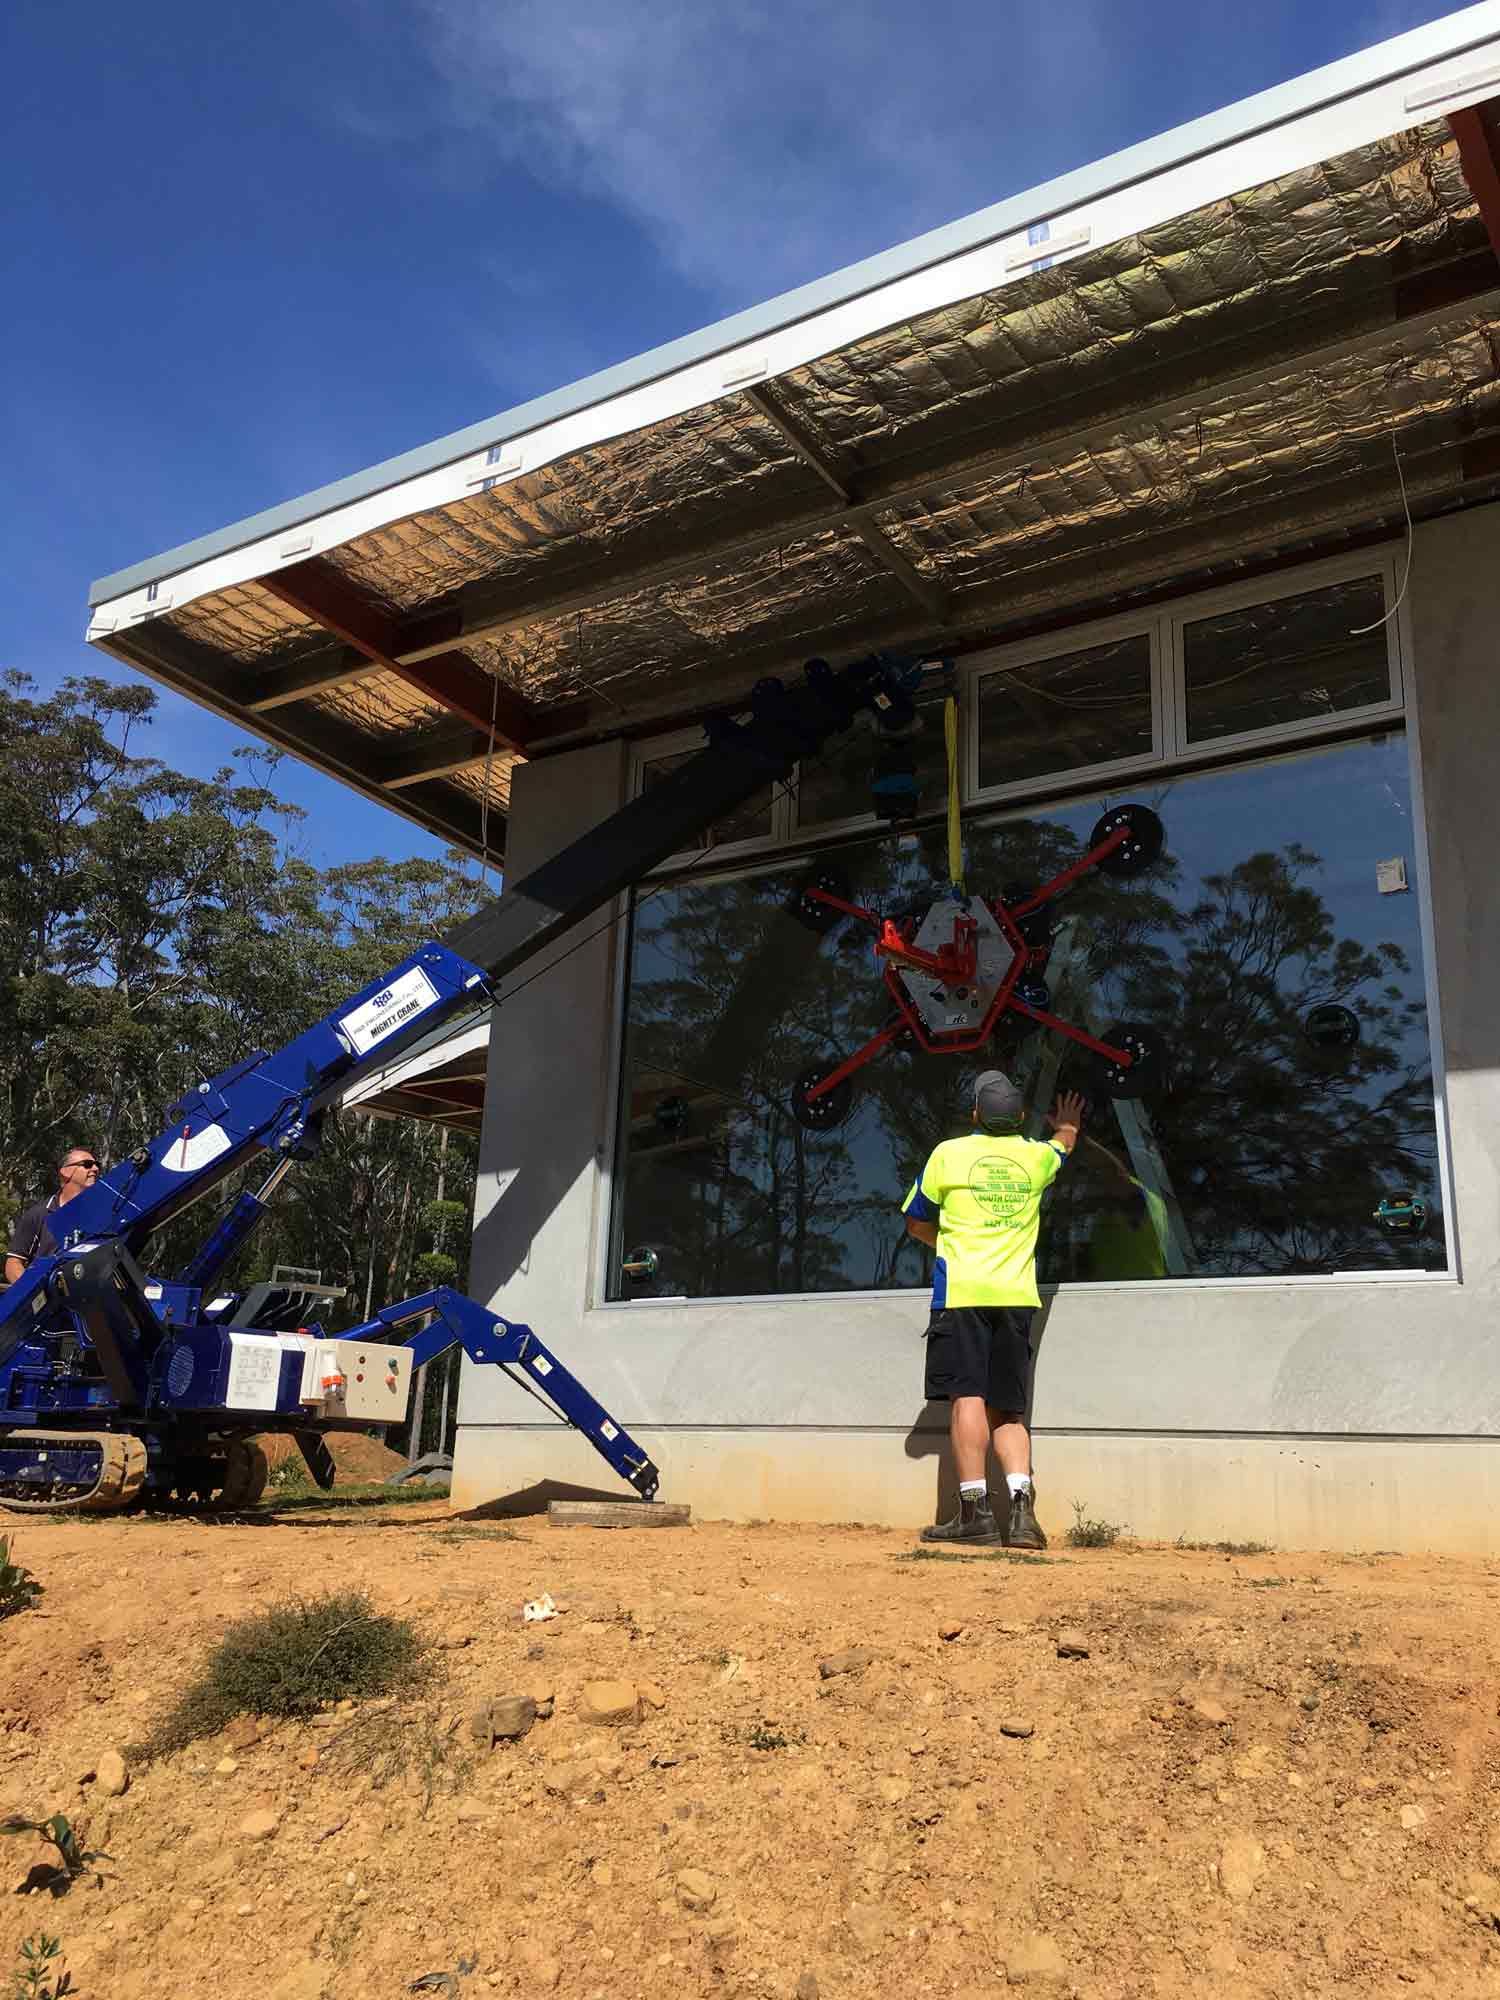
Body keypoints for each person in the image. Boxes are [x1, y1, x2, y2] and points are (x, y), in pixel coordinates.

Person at [902, 1072, 1083, 1549]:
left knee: (967, 1397)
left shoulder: (948, 1154)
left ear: (975, 1114)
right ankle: (1023, 1516)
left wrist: (949, 1242)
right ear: (1021, 1117)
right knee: (1009, 1410)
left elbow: (914, 1220)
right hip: (1016, 1297)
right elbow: (1062, 1146)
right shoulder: (1036, 1157)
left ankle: (974, 1514)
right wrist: (1068, 1124)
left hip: (962, 1293)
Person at [4, 1147, 103, 1286]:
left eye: (97, 1165)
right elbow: (13, 1264)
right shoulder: (38, 1214)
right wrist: (33, 1290)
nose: (95, 1169)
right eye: (87, 1164)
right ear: (65, 1171)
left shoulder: (101, 1215)